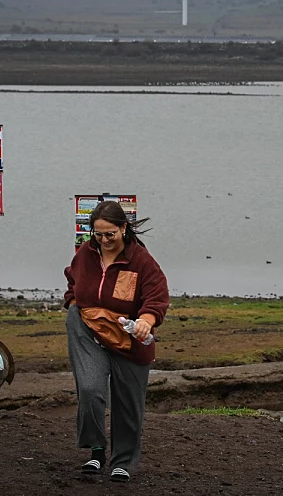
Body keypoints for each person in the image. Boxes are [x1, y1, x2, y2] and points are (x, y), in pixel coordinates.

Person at [63, 200, 169, 482]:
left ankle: (122, 461)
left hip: (130, 338)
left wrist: (146, 320)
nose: (104, 240)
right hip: (88, 332)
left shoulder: (141, 261)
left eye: (110, 233)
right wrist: (72, 302)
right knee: (89, 389)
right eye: (98, 234)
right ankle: (96, 451)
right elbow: (72, 279)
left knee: (128, 404)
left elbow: (157, 295)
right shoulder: (85, 254)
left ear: (123, 228)